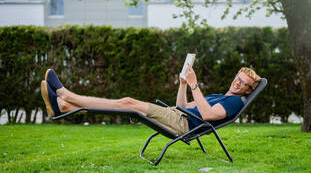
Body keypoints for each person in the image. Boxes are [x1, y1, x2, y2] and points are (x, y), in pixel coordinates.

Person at [41, 65, 261, 134]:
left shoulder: (233, 103)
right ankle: (65, 105)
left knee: (128, 103)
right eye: (237, 79)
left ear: (248, 90)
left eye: (243, 84)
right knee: (128, 104)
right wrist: (184, 85)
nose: (237, 83)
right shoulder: (221, 96)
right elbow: (183, 106)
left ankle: (66, 97)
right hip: (178, 115)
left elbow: (209, 115)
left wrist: (195, 84)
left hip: (182, 124)